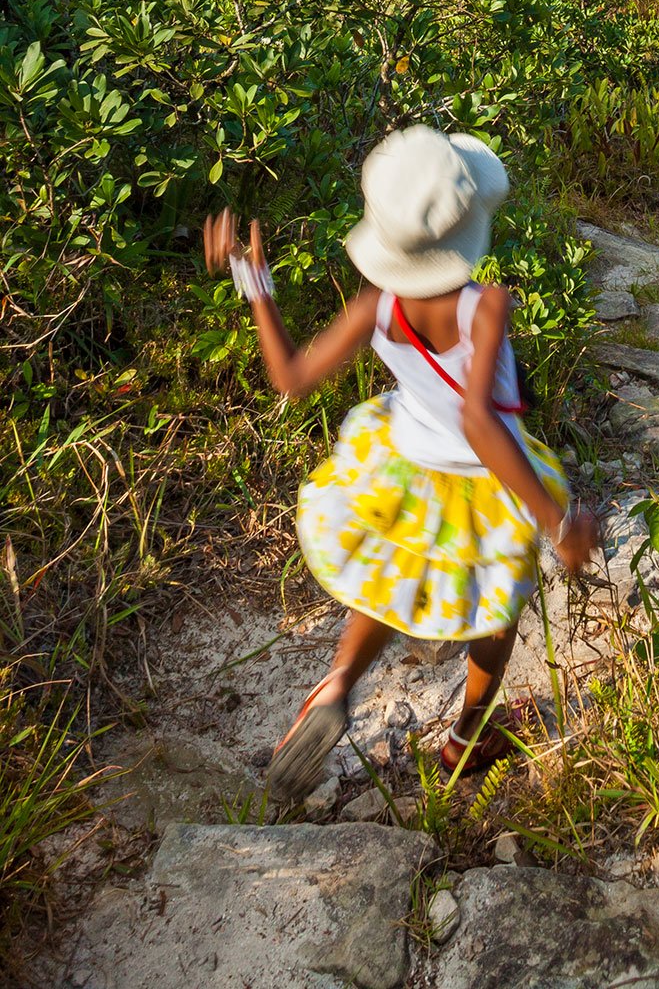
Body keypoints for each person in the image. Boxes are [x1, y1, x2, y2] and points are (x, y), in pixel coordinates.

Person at [203, 124, 598, 802]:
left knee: (385, 587)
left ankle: (335, 686)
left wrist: (254, 278)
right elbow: (479, 422)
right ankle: (464, 741)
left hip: (401, 466)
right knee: (494, 616)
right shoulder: (486, 304)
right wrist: (558, 522)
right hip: (479, 486)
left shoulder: (374, 306)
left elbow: (291, 378)